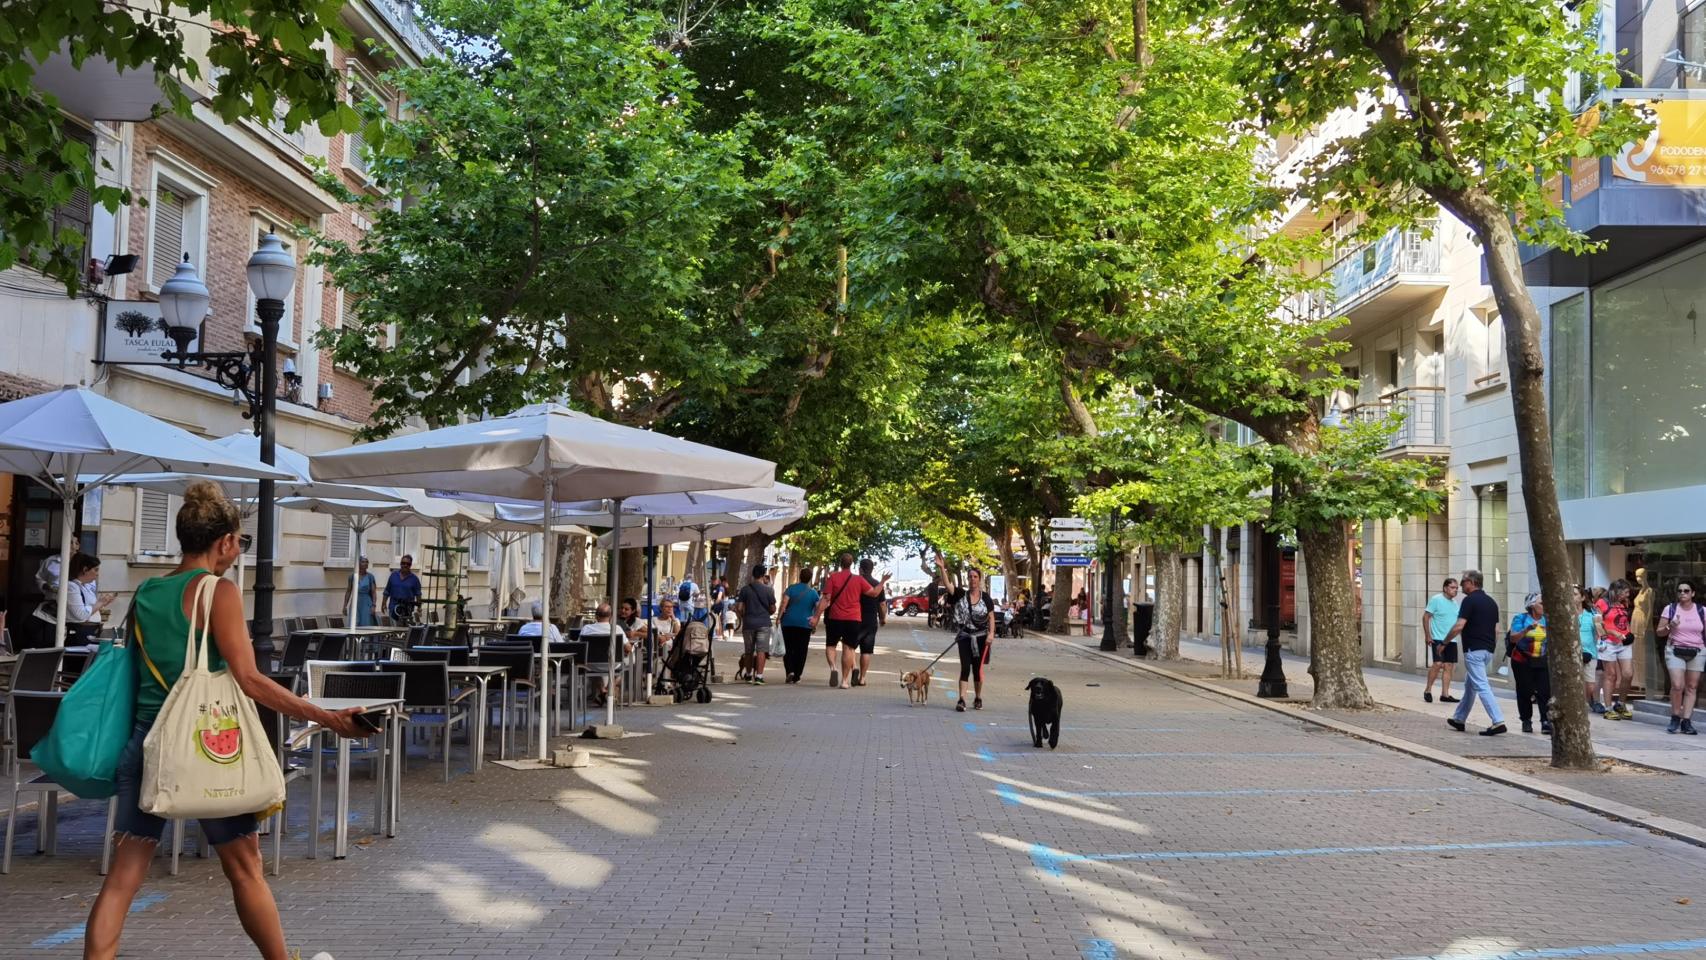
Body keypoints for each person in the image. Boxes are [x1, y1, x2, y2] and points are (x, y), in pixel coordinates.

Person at [84, 480, 364, 960]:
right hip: (210, 745)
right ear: (226, 542)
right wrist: (326, 717)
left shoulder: (147, 591)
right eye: (241, 542)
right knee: (245, 868)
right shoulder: (220, 592)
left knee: (123, 878)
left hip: (146, 745)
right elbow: (250, 680)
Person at [1444, 569, 1506, 736]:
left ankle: (1498, 720)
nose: (1461, 585)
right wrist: (1491, 647)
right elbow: (1497, 630)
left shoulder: (1469, 601)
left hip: (1473, 651)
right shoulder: (1491, 602)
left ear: (1471, 583)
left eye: (1463, 582)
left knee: (1481, 685)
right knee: (1470, 684)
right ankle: (1459, 718)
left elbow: (1459, 626)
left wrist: (1444, 642)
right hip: (1487, 651)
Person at [1655, 580, 1704, 735]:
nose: (1683, 593)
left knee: (1691, 687)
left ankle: (1687, 721)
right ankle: (1675, 716)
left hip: (1697, 651)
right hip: (1675, 650)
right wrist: (1671, 626)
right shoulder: (1670, 609)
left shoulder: (1702, 611)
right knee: (1677, 685)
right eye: (1680, 591)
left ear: (1693, 593)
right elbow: (1659, 632)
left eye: (1686, 591)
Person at [816, 553, 865, 688]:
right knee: (849, 649)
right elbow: (873, 592)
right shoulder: (858, 579)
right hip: (853, 618)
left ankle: (833, 668)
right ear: (852, 563)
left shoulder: (833, 578)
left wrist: (816, 617)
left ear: (840, 563)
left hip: (835, 618)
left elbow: (826, 599)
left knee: (831, 646)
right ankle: (844, 681)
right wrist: (883, 582)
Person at [1506, 593, 1552, 735]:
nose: (1545, 606)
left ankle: (1546, 721)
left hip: (1542, 659)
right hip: (1522, 660)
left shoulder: (1548, 620)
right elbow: (1513, 638)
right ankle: (1526, 720)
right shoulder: (1521, 618)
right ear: (1532, 605)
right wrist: (1526, 630)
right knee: (1524, 690)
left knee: (1545, 691)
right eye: (1541, 603)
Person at [953, 567, 995, 712]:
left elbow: (991, 617)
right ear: (967, 579)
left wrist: (991, 634)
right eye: (970, 576)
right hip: (965, 637)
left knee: (977, 670)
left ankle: (977, 697)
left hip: (981, 638)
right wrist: (941, 568)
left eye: (975, 576)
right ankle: (962, 699)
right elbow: (948, 585)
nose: (972, 579)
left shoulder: (986, 598)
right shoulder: (961, 595)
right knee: (965, 668)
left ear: (979, 579)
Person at [580, 602, 629, 706]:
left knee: (590, 665)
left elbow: (580, 646)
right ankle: (609, 688)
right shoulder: (617, 629)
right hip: (613, 664)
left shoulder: (586, 629)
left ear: (596, 616)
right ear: (610, 616)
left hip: (591, 665)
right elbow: (628, 648)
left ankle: (602, 690)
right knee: (626, 664)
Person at [1599, 580, 1635, 721]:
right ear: (1617, 591)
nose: (1627, 595)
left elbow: (1624, 621)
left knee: (1628, 673)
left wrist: (1629, 633)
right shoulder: (1602, 603)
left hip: (1623, 641)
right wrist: (1613, 633)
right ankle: (1608, 707)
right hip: (1608, 642)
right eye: (1625, 592)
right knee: (1611, 675)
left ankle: (1620, 703)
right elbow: (1597, 625)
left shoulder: (1624, 603)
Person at [1421, 577, 1461, 704]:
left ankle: (1445, 694)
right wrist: (1427, 635)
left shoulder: (1455, 603)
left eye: (1456, 588)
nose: (1455, 590)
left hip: (1452, 640)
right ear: (1445, 588)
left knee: (1449, 666)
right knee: (1438, 664)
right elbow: (1426, 617)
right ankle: (1428, 690)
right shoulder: (1436, 599)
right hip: (1438, 638)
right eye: (1452, 587)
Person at [736, 564, 777, 684]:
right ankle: (759, 676)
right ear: (763, 575)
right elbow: (773, 608)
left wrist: (743, 616)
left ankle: (748, 675)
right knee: (761, 650)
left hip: (748, 624)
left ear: (753, 575)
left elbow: (739, 607)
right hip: (763, 623)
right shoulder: (768, 590)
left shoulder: (745, 589)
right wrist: (767, 612)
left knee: (748, 651)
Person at [852, 558, 890, 687]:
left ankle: (854, 668)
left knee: (850, 647)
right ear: (872, 569)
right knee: (866, 651)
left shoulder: (855, 582)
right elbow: (883, 604)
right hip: (871, 620)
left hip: (855, 619)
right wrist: (882, 618)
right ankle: (862, 678)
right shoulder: (877, 584)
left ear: (860, 569)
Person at [777, 567, 819, 683]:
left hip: (788, 623)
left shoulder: (791, 589)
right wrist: (814, 620)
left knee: (788, 648)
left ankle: (789, 671)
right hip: (805, 625)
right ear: (810, 579)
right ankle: (797, 675)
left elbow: (784, 603)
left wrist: (779, 617)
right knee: (801, 650)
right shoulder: (813, 593)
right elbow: (818, 607)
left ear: (800, 576)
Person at [65, 552, 114, 644]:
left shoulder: (85, 586)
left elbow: (90, 609)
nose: (97, 574)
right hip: (79, 633)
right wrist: (100, 603)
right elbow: (81, 614)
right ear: (85, 569)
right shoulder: (71, 587)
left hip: (91, 631)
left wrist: (103, 603)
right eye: (95, 570)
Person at [1577, 586, 1603, 715]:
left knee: (1590, 686)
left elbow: (1601, 634)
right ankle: (1578, 707)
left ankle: (1588, 701)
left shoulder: (1591, 614)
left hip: (1589, 654)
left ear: (1582, 597)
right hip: (1571, 655)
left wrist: (1600, 623)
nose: (1572, 597)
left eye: (1575, 594)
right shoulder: (1564, 616)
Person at [382, 555, 422, 623]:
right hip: (393, 606)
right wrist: (383, 603)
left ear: (410, 565)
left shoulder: (414, 579)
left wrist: (419, 608)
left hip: (407, 608)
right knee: (393, 629)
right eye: (403, 563)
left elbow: (418, 594)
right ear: (400, 564)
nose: (405, 565)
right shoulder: (393, 575)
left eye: (408, 564)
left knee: (405, 629)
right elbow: (387, 591)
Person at [342, 556, 378, 627]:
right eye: (363, 562)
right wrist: (345, 606)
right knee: (354, 623)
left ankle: (366, 638)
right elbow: (349, 591)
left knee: (366, 623)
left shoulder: (370, 577)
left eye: (367, 562)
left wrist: (374, 606)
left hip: (366, 602)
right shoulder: (352, 577)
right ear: (358, 564)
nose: (365, 563)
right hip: (355, 602)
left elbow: (373, 592)